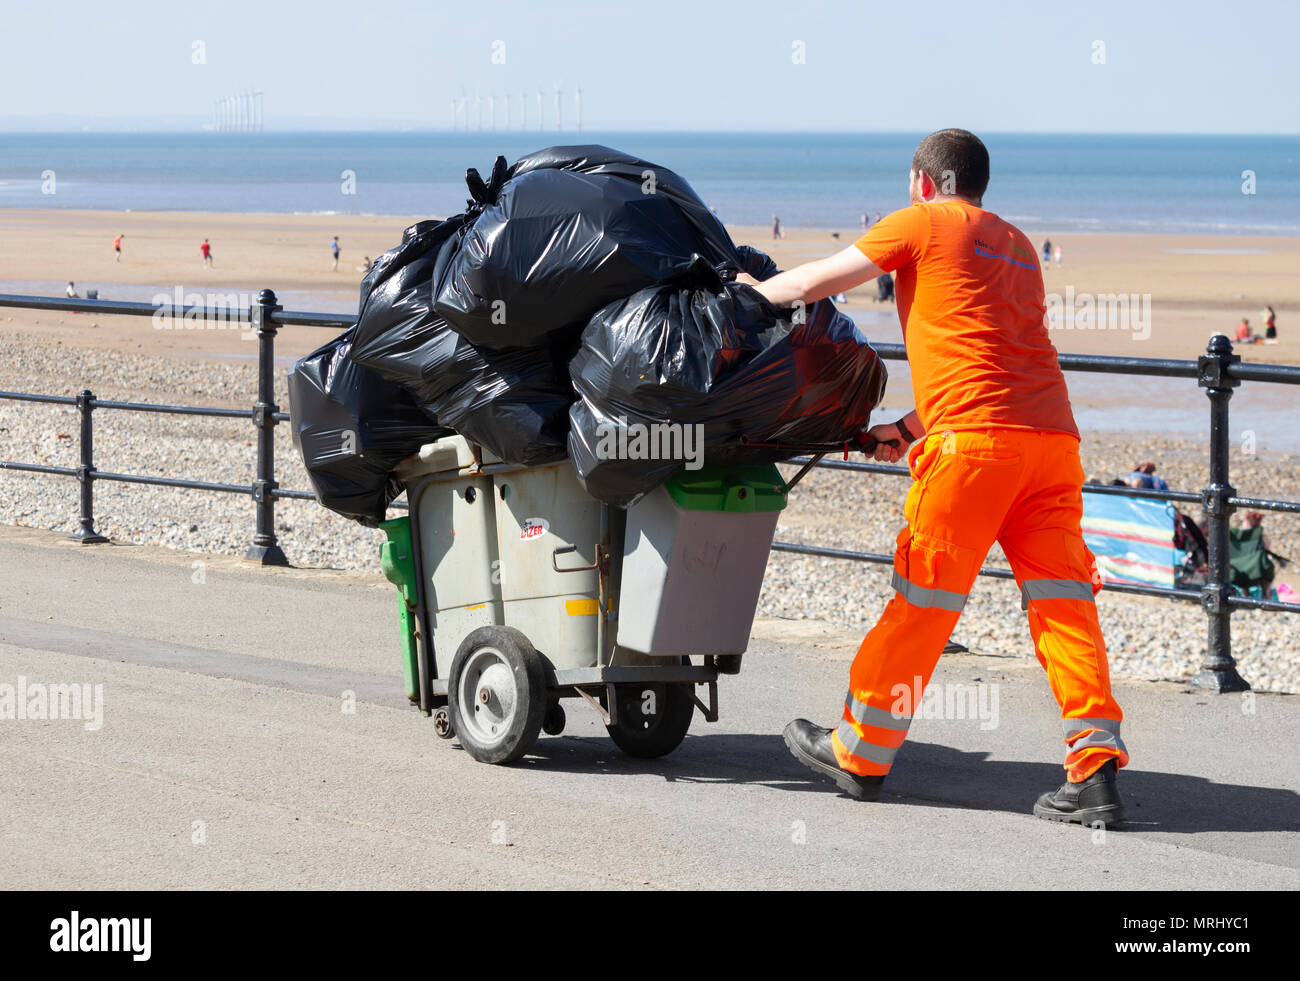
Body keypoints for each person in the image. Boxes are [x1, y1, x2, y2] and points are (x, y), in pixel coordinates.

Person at [737, 129, 1127, 825]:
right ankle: (1094, 773)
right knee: (1065, 607)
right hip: (1050, 446)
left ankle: (860, 751)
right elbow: (996, 365)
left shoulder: (920, 220)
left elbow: (811, 284)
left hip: (973, 456)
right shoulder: (1015, 245)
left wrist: (748, 291)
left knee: (924, 603)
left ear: (924, 181)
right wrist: (908, 430)